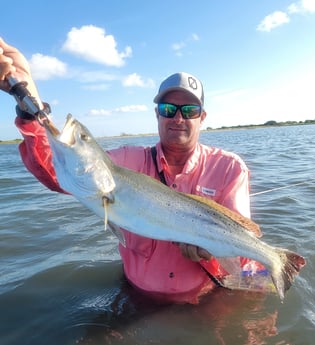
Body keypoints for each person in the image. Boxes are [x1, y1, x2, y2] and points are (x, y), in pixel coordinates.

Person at [0, 38, 264, 304]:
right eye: (168, 109)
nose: (178, 118)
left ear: (202, 117)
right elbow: (58, 173)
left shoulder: (229, 167)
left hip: (204, 302)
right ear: (157, 114)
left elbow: (243, 251)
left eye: (190, 110)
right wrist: (27, 102)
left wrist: (213, 252)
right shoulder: (126, 160)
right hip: (135, 299)